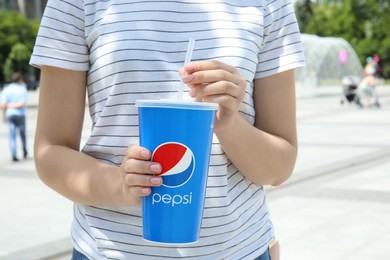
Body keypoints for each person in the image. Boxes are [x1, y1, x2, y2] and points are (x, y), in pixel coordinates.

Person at [30, 0, 305, 259]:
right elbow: (50, 152)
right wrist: (123, 185)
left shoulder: (269, 5)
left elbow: (279, 167)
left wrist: (228, 122)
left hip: (242, 249)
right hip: (108, 251)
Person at [1, 72, 28, 162]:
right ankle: (24, 151)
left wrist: (3, 115)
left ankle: (14, 154)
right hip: (20, 115)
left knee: (12, 136)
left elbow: (3, 105)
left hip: (10, 115)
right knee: (22, 134)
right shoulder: (22, 89)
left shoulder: (6, 89)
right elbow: (22, 103)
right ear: (19, 80)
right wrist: (13, 105)